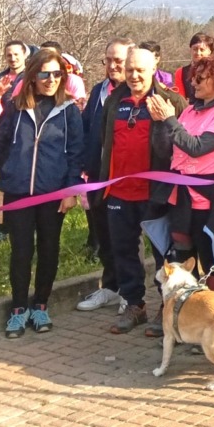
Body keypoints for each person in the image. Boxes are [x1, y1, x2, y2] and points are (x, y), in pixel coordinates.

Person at [0, 47, 84, 338]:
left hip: (52, 195)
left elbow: (76, 155)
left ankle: (41, 304)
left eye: (58, 74)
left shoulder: (69, 110)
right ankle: (19, 308)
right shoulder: (16, 106)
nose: (51, 79)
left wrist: (70, 191)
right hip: (19, 193)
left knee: (48, 250)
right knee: (21, 252)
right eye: (45, 73)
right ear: (33, 76)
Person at [97, 46, 186, 335]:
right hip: (119, 191)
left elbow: (182, 142)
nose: (134, 75)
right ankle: (135, 304)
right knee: (123, 251)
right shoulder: (114, 100)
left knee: (163, 255)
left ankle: (167, 308)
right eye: (129, 69)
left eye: (140, 70)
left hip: (157, 193)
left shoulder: (170, 99)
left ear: (153, 70)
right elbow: (104, 141)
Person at [147, 55, 214, 294]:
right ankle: (186, 306)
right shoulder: (189, 111)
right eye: (193, 79)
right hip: (181, 196)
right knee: (182, 256)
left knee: (211, 262)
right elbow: (167, 148)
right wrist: (159, 123)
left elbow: (196, 148)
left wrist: (169, 119)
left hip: (208, 198)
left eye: (200, 79)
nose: (194, 84)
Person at [77, 38, 133, 313]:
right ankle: (110, 286)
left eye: (118, 61)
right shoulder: (99, 90)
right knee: (105, 235)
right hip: (97, 177)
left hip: (125, 179)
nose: (112, 66)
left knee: (125, 237)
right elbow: (88, 129)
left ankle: (130, 292)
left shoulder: (136, 93)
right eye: (107, 60)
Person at [172, 33, 213, 103]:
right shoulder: (181, 72)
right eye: (195, 49)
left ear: (209, 51)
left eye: (202, 50)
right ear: (190, 50)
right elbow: (181, 100)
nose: (198, 53)